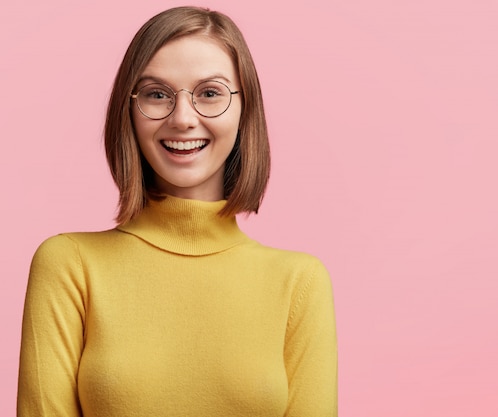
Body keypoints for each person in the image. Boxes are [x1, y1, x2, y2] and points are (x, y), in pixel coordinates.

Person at [17, 6, 337, 417]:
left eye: (209, 93)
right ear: (128, 111)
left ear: (245, 109)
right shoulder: (70, 266)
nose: (183, 118)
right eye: (156, 94)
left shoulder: (300, 283)